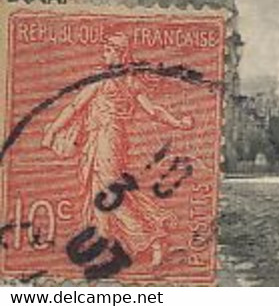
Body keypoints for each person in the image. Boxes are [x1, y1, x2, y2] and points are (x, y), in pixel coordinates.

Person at [42, 33, 196, 267]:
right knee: (99, 193)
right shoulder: (128, 81)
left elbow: (75, 107)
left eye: (108, 50)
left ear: (120, 53)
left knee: (107, 193)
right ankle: (103, 246)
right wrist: (179, 123)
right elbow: (153, 110)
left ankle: (152, 236)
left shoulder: (104, 80)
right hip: (105, 140)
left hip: (107, 139)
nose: (104, 54)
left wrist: (53, 129)